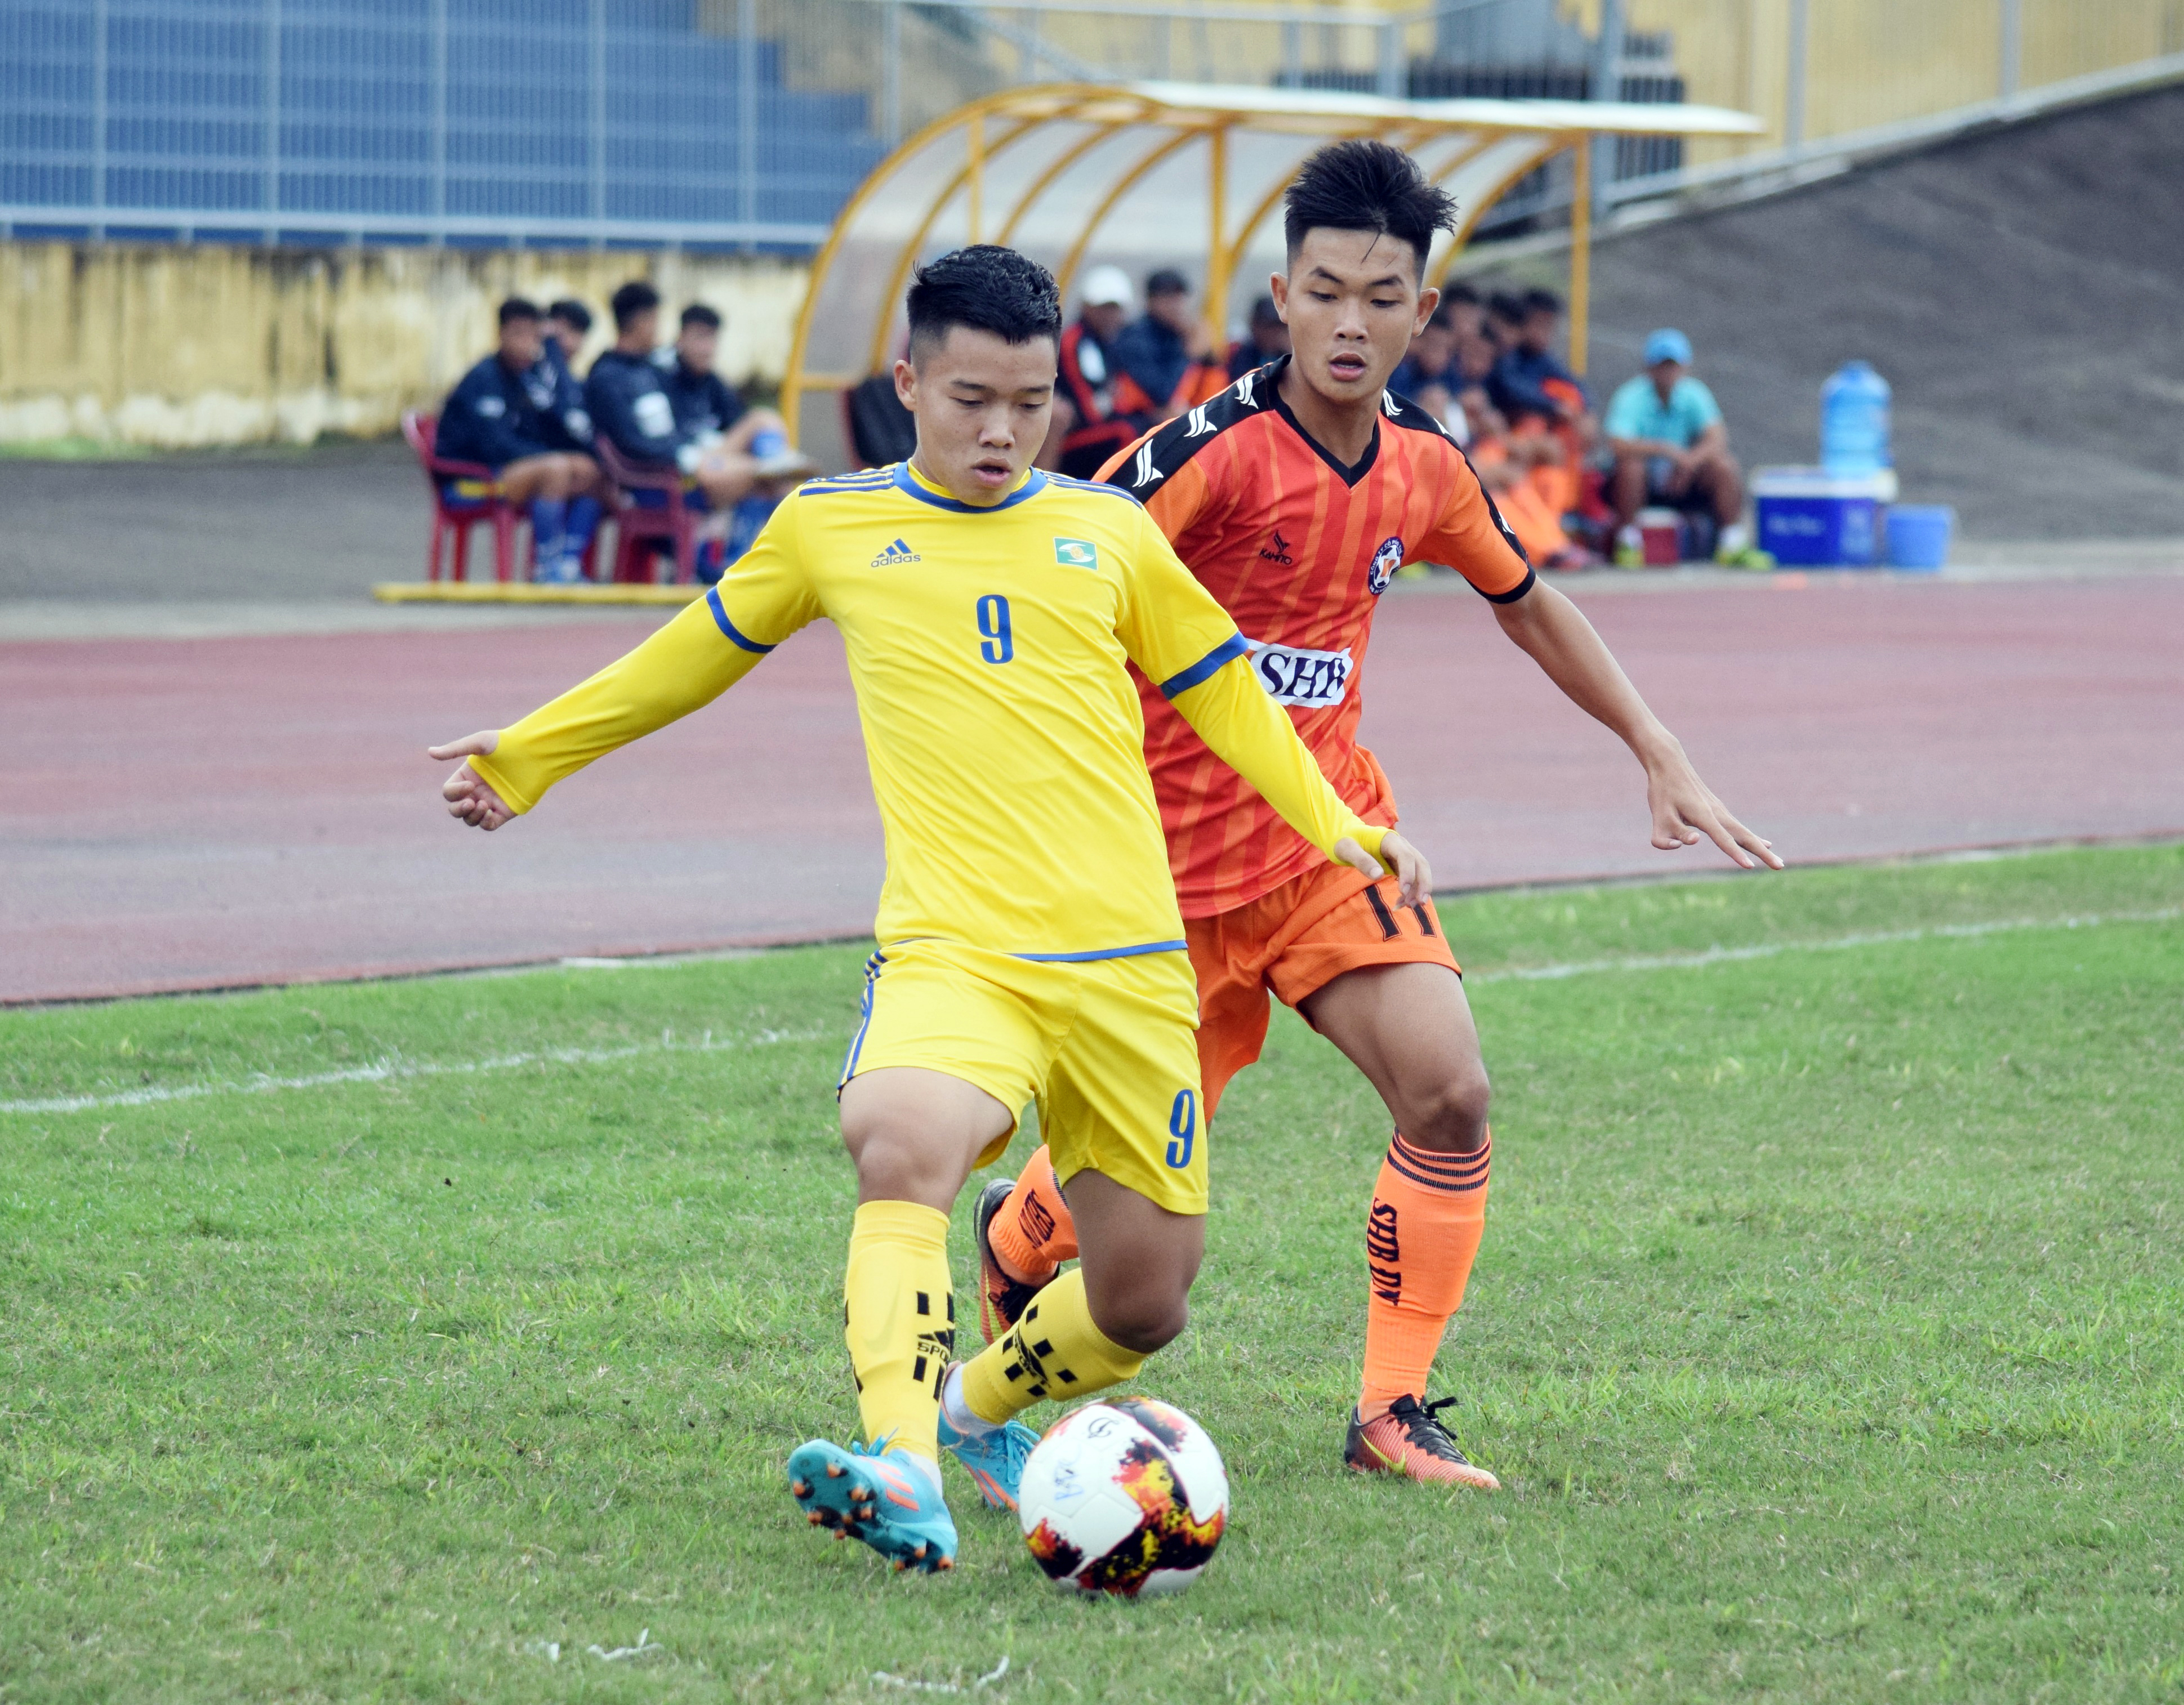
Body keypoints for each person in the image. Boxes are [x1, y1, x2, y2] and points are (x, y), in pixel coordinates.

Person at [426, 244, 1428, 1575]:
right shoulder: (829, 528)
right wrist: (532, 755)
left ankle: (973, 1412)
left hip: (1131, 965)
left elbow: (1228, 693)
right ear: (906, 380)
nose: (1001, 430)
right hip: (958, 949)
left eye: (1029, 402)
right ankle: (903, 1463)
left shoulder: (1108, 533)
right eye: (969, 398)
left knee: (1144, 1298)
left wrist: (1342, 826)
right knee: (899, 1138)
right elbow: (690, 656)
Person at [976, 139, 1779, 1493]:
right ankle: (1015, 1238)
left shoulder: (1427, 466)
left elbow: (1529, 603)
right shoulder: (1210, 457)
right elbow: (1054, 574)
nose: (1352, 321)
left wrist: (1657, 745)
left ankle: (1392, 1411)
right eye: (1327, 290)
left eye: (1382, 295)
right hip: (1159, 879)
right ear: (1280, 298)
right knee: (1136, 1201)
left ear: (1421, 311)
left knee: (1451, 1090)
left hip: (1332, 841)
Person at [585, 284, 812, 581]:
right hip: (660, 479)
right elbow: (628, 442)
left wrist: (695, 447)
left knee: (764, 433)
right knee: (769, 473)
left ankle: (735, 565)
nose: (659, 329)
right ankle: (739, 566)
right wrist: (684, 455)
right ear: (641, 322)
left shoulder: (653, 370)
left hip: (693, 464)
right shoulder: (608, 376)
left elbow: (676, 425)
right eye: (655, 320)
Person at [433, 296, 605, 584]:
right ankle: (545, 567)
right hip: (469, 481)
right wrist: (546, 457)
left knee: (590, 470)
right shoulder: (483, 377)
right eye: (518, 334)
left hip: (514, 471)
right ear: (501, 334)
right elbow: (494, 446)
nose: (527, 343)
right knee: (556, 468)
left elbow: (559, 420)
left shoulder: (529, 378)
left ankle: (569, 562)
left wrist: (553, 354)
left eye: (534, 336)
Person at [1603, 328, 1766, 566]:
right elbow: (1617, 445)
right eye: (1662, 365)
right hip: (1643, 484)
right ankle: (1628, 543)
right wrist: (1664, 450)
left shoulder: (1694, 394)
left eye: (1674, 365)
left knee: (1724, 466)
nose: (1668, 372)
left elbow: (1718, 438)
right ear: (1649, 368)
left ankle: (1732, 543)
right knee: (1631, 468)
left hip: (1684, 481)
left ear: (1685, 367)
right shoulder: (1631, 396)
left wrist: (1690, 462)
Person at [1052, 264, 1138, 479]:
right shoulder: (1074, 341)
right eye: (1104, 308)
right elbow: (1088, 407)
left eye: (1115, 308)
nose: (1110, 315)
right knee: (1126, 432)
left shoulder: (1109, 342)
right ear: (1086, 307)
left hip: (1097, 426)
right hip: (1073, 435)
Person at [1110, 269, 1226, 424]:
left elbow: (1218, 384)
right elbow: (1164, 395)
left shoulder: (1180, 332)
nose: (1175, 306)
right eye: (1167, 298)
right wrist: (1190, 355)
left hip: (1174, 417)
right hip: (1133, 424)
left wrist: (1210, 355)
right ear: (1151, 301)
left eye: (1179, 297)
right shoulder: (1135, 338)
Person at [1486, 287, 1590, 433]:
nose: (1544, 333)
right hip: (1502, 421)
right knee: (1535, 423)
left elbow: (1576, 386)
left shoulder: (1544, 359)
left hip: (1528, 425)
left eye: (1549, 327)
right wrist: (1553, 406)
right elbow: (1513, 389)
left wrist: (1584, 408)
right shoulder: (1507, 354)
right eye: (1539, 324)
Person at [1228, 294, 1291, 381]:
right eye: (1267, 327)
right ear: (1254, 325)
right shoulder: (1240, 354)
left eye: (1278, 327)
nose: (1272, 333)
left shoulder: (1287, 356)